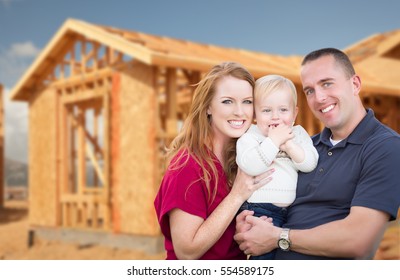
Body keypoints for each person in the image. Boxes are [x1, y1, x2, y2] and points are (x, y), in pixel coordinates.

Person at [234, 48, 400, 260]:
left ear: (355, 84)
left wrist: (278, 237)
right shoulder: (305, 147)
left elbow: (360, 241)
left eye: (327, 83)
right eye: (309, 90)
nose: (319, 97)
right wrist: (248, 223)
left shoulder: (385, 147)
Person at [154, 62, 273, 260]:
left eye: (247, 101)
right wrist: (236, 196)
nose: (239, 112)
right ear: (208, 106)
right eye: (227, 101)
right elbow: (186, 251)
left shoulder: (244, 159)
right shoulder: (187, 167)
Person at [236, 74, 318, 259]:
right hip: (260, 210)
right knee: (264, 257)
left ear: (294, 113)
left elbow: (309, 164)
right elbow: (250, 166)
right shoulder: (251, 136)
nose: (275, 116)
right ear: (255, 114)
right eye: (266, 110)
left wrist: (288, 145)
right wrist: (273, 142)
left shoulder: (297, 134)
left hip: (292, 212)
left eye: (283, 110)